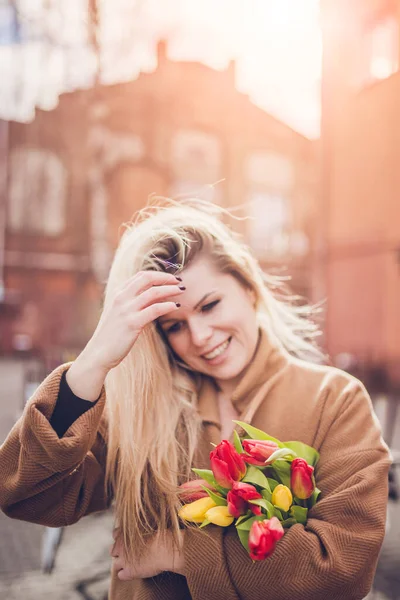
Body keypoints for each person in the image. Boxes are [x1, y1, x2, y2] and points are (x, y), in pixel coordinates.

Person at [0, 198, 391, 600]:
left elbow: (343, 568)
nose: (201, 336)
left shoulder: (334, 400)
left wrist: (181, 551)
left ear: (249, 288)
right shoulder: (141, 411)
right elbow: (26, 496)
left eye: (210, 305)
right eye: (174, 325)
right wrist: (93, 364)